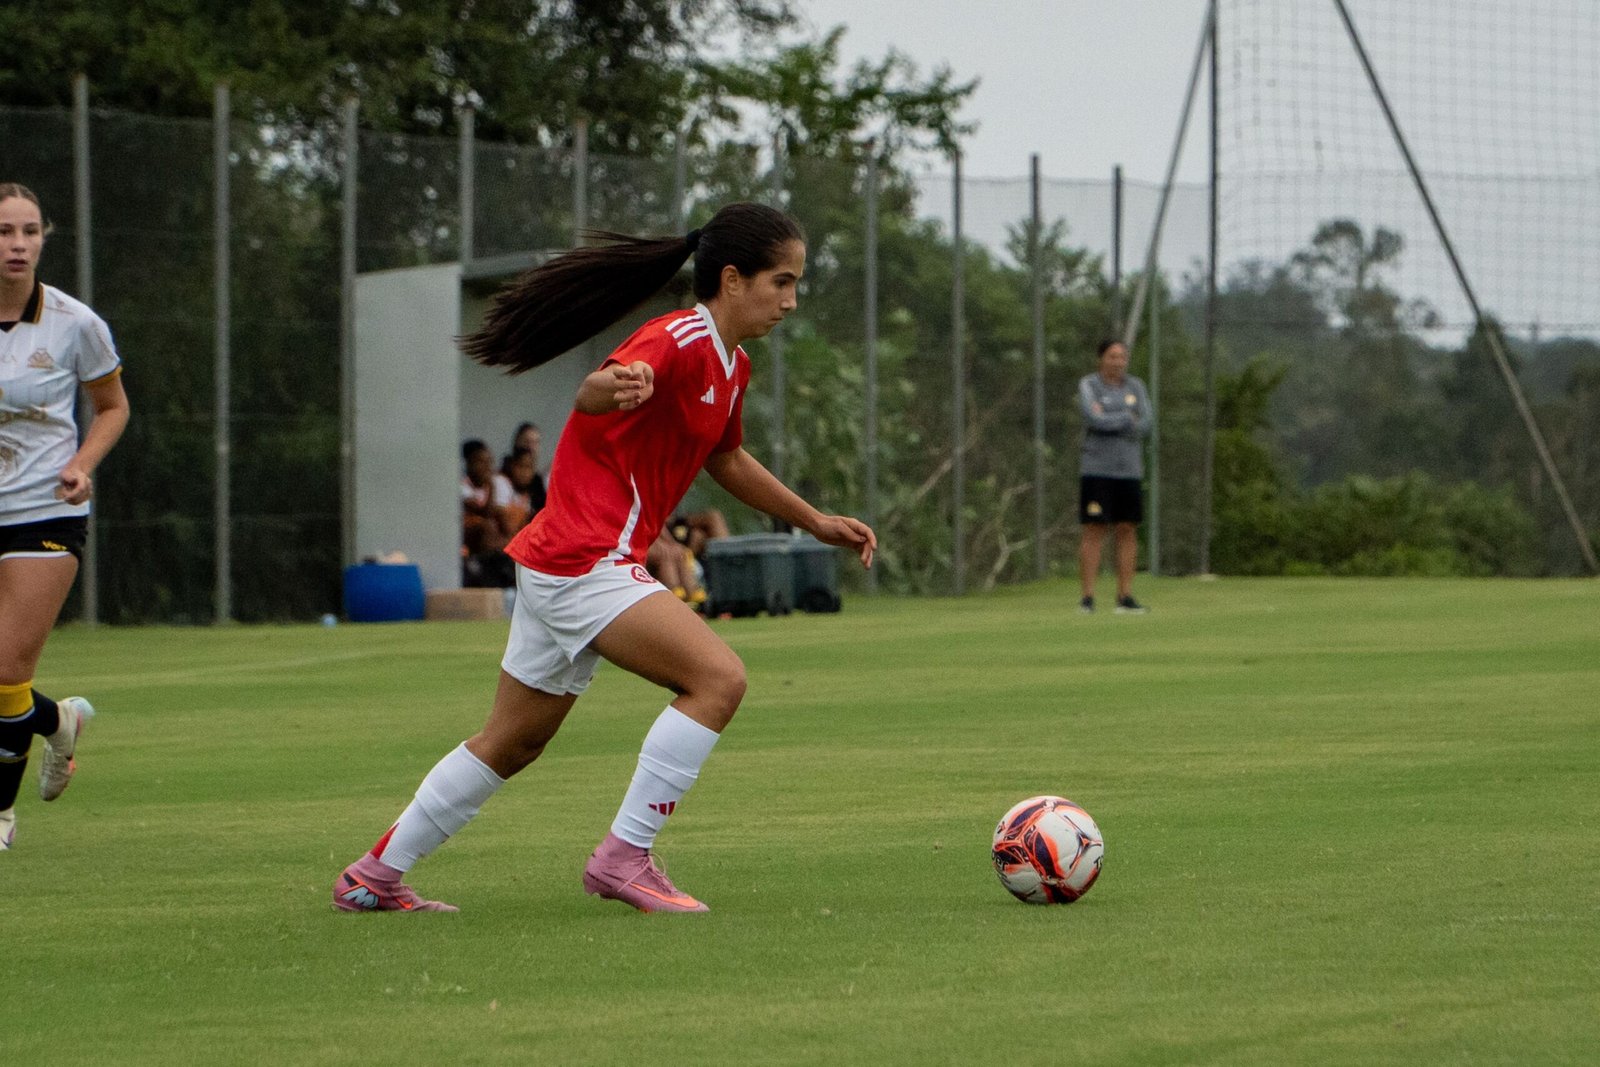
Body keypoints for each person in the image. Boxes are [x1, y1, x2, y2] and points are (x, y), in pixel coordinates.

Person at [333, 202, 875, 914]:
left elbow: (726, 457)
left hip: (566, 559)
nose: (791, 299)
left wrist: (814, 521)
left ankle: (373, 876)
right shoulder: (677, 337)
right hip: (586, 557)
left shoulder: (732, 364)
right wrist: (611, 388)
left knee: (512, 741)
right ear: (732, 279)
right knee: (717, 680)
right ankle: (624, 857)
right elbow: (594, 390)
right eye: (782, 281)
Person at [0, 183, 130, 849]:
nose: (18, 244)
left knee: (5, 673)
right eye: (4, 232)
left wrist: (82, 463)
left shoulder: (75, 323)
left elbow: (113, 406)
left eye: (29, 231)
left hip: (43, 510)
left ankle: (0, 814)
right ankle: (59, 723)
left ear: (43, 238)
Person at [1077, 338, 1152, 614]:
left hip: (1129, 470)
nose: (1118, 362)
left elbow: (1146, 423)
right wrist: (1126, 417)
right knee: (1094, 529)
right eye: (1112, 356)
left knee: (1127, 529)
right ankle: (1087, 598)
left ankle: (1125, 597)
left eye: (1122, 357)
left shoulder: (1136, 387)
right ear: (1101, 359)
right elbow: (1093, 418)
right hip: (1097, 469)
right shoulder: (1089, 385)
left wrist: (1111, 416)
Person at [460, 438, 513, 588]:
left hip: (492, 536)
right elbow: (486, 512)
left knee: (507, 527)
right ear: (469, 464)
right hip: (470, 536)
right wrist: (491, 485)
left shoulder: (500, 482)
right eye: (480, 462)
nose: (487, 467)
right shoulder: (463, 487)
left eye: (489, 461)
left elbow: (500, 514)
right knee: (486, 526)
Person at [509, 422, 547, 517]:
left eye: (535, 443)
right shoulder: (503, 478)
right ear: (517, 442)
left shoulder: (538, 482)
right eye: (527, 441)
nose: (531, 448)